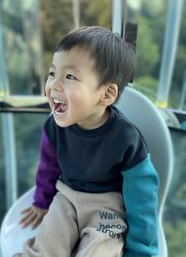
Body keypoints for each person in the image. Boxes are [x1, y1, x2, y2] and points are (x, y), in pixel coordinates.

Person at [14, 26, 159, 257]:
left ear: (107, 95)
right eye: (53, 73)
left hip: (107, 207)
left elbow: (142, 199)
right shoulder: (54, 126)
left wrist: (143, 250)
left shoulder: (127, 140)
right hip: (66, 199)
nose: (54, 85)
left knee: (100, 251)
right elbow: (48, 167)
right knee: (46, 247)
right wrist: (42, 201)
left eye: (69, 76)